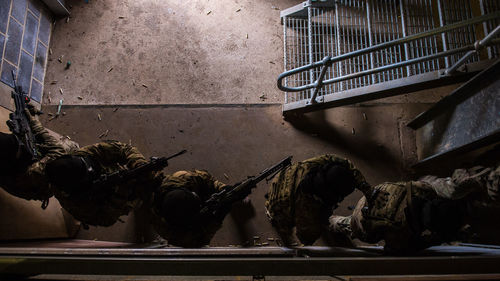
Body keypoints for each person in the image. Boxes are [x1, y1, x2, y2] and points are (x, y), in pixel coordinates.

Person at [329, 164, 499, 254]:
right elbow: (394, 250)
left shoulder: (420, 192)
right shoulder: (400, 231)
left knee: (438, 184)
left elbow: (422, 185)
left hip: (372, 198)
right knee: (352, 225)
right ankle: (334, 222)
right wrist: (434, 240)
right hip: (362, 221)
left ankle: (333, 221)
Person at [45, 140, 163, 227]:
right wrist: (121, 194)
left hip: (119, 174)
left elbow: (123, 148)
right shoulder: (75, 203)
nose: (91, 168)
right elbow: (105, 220)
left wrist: (138, 163)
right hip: (113, 200)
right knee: (143, 198)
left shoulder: (83, 155)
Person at [265, 154, 369, 246]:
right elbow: (306, 239)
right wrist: (322, 216)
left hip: (285, 178)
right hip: (279, 204)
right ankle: (273, 216)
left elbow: (345, 162)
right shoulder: (304, 207)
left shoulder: (316, 165)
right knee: (311, 230)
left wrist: (366, 188)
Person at [0, 107, 79, 208]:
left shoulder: (57, 153)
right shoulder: (59, 190)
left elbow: (40, 131)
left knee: (12, 144)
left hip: (16, 176)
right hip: (16, 183)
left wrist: (30, 116)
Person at [150, 170, 229, 247]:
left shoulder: (180, 178)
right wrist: (218, 216)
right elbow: (201, 240)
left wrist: (222, 188)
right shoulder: (165, 229)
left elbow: (205, 178)